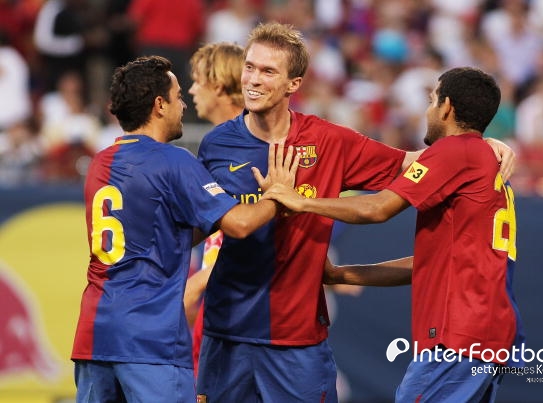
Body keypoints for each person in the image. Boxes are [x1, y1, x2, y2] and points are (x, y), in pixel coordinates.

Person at [196, 22, 516, 402]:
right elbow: (197, 224)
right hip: (226, 331)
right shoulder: (215, 145)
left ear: (294, 83)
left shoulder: (329, 140)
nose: (253, 79)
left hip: (296, 339)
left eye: (268, 71)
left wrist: (481, 142)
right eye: (250, 67)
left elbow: (413, 162)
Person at [263, 66, 524, 403]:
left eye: (431, 100)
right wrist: (340, 275)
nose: (427, 111)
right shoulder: (485, 162)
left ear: (447, 107)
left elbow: (378, 208)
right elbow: (426, 265)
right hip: (487, 337)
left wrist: (300, 202)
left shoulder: (456, 151)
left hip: (458, 336)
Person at [70, 55, 298, 403]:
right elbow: (239, 225)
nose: (184, 103)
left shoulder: (100, 162)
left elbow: (158, 233)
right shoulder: (173, 160)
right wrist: (277, 196)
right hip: (150, 339)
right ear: (159, 105)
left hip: (93, 335)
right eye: (177, 96)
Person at [184, 42, 245, 376]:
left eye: (198, 80)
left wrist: (201, 280)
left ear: (219, 84)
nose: (192, 90)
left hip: (245, 306)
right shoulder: (215, 144)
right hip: (218, 301)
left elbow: (264, 229)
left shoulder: (254, 144)